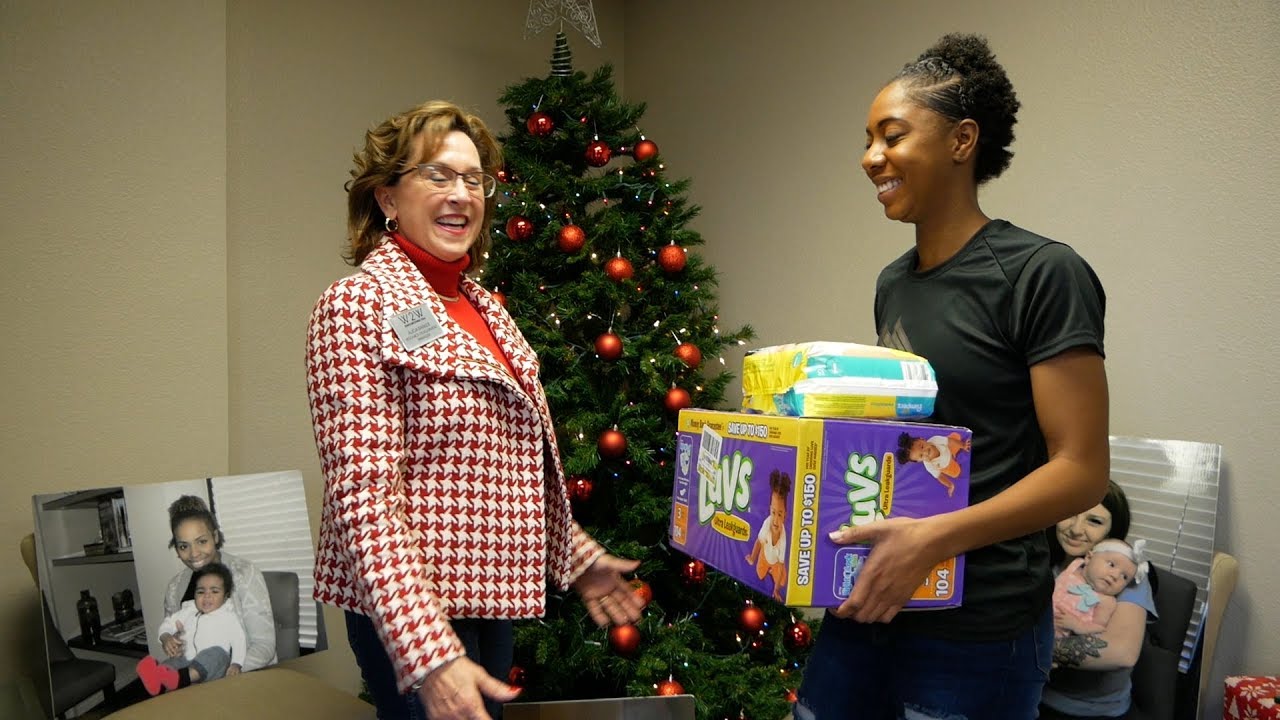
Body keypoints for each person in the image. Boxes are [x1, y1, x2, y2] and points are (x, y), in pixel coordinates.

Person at [794, 34, 1110, 720]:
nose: (870, 156)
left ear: (962, 140)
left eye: (892, 135)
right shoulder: (894, 285)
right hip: (875, 598)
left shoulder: (1041, 273)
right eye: (868, 138)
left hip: (981, 627)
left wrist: (933, 541)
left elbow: (1082, 469)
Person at [306, 100, 644, 720]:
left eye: (473, 179)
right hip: (412, 608)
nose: (460, 194)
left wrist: (575, 557)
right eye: (437, 175)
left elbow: (500, 465)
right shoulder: (354, 306)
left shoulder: (484, 305)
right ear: (387, 197)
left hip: (490, 595)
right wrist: (429, 651)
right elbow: (364, 500)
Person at [1040, 481, 1157, 719]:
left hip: (1093, 713)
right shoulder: (1045, 561)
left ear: (1113, 528)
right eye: (1069, 514)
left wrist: (1033, 650)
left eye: (1094, 521)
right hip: (1034, 696)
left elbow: (1122, 652)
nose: (1075, 529)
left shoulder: (1124, 578)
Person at [161, 496, 276, 672]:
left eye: (201, 541)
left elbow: (264, 646)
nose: (194, 554)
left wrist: (217, 675)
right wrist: (173, 642)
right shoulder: (175, 588)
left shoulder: (245, 573)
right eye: (184, 546)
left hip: (245, 673)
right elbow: (176, 640)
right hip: (194, 674)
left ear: (214, 536)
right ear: (176, 548)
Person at [137, 562, 247, 695]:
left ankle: (180, 679)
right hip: (187, 660)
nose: (207, 596)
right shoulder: (188, 611)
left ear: (225, 596)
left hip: (215, 666)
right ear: (194, 594)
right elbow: (168, 623)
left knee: (215, 654)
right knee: (171, 663)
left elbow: (239, 640)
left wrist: (236, 663)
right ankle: (158, 682)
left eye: (214, 591)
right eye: (201, 591)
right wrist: (165, 637)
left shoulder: (228, 615)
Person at [1052, 538, 1149, 639]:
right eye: (1111, 564)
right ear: (1089, 558)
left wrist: (1078, 625)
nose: (1115, 576)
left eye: (1124, 577)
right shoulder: (1075, 566)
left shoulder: (1106, 601)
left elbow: (1099, 627)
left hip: (1055, 635)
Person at [746, 469, 792, 601]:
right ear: (769, 510)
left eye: (780, 514)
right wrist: (752, 558)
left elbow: (782, 564)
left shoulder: (783, 538)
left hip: (776, 562)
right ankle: (767, 569)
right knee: (759, 573)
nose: (775, 520)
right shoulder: (767, 523)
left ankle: (773, 572)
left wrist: (776, 590)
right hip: (765, 556)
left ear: (785, 515)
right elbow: (759, 541)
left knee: (783, 581)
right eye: (773, 512)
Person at [894, 431, 970, 497]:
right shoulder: (929, 465)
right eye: (921, 455)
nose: (925, 452)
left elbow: (950, 441)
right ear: (919, 461)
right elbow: (939, 476)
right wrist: (950, 485)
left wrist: (963, 445)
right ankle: (954, 458)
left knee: (955, 436)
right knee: (956, 473)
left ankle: (954, 453)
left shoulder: (935, 440)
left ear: (922, 439)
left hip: (949, 449)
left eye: (922, 446)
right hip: (946, 466)